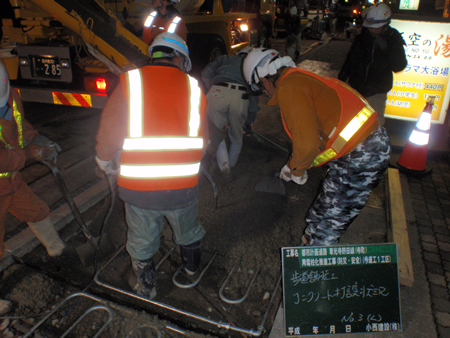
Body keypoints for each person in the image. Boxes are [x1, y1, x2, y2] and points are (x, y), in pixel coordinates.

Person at [95, 32, 207, 300]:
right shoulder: (194, 88)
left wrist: (104, 158)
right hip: (183, 186)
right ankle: (191, 271)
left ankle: (147, 287)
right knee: (188, 230)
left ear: (155, 54)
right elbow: (203, 138)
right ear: (179, 59)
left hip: (139, 186)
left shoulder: (130, 82)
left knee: (142, 239)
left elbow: (111, 127)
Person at [243, 48, 391, 247]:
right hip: (364, 149)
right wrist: (292, 164)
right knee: (324, 208)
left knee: (330, 223)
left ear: (264, 79)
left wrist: (297, 170)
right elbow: (319, 134)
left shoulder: (289, 87)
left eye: (261, 89)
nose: (266, 93)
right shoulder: (299, 78)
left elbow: (307, 144)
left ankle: (315, 270)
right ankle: (310, 242)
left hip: (362, 155)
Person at [0, 60, 66, 313]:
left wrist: (36, 138)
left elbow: (19, 124)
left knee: (37, 210)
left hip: (11, 179)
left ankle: (58, 251)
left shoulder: (9, 94)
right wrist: (29, 153)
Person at [338, 3, 407, 126]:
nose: (372, 30)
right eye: (370, 27)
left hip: (376, 92)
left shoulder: (393, 39)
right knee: (350, 124)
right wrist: (341, 78)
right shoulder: (362, 37)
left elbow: (399, 66)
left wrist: (386, 50)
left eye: (376, 27)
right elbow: (350, 58)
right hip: (356, 89)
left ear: (386, 24)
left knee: (374, 126)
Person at [201, 47, 257, 175]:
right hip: (241, 96)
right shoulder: (252, 68)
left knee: (214, 132)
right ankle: (230, 168)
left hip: (218, 90)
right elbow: (254, 98)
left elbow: (205, 73)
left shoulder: (225, 58)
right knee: (237, 138)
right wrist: (248, 122)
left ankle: (223, 167)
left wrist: (213, 87)